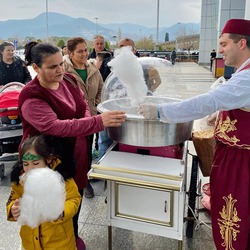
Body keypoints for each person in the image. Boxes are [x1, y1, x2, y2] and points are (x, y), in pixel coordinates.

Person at [138, 18, 250, 250]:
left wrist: (159, 111)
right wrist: (221, 114)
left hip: (241, 163)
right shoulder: (243, 72)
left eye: (224, 43)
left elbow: (208, 100)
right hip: (233, 156)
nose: (219, 50)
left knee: (235, 217)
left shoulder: (247, 77)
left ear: (241, 44)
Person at [19, 42, 126, 250]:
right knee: (51, 209)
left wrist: (86, 123)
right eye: (52, 67)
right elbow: (54, 126)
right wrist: (97, 122)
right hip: (46, 162)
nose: (59, 69)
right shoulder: (32, 96)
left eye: (60, 63)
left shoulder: (68, 79)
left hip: (75, 153)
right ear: (35, 68)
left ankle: (72, 237)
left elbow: (83, 105)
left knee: (72, 199)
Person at [6, 135, 82, 250]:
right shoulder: (20, 181)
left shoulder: (62, 179)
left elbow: (74, 199)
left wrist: (61, 212)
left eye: (35, 163)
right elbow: (12, 200)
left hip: (59, 242)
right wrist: (13, 209)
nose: (30, 169)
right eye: (25, 164)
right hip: (30, 242)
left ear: (48, 159)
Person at [98, 38, 161, 160]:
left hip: (133, 111)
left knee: (129, 142)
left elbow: (156, 80)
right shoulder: (108, 63)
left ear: (134, 50)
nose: (124, 50)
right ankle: (103, 164)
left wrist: (148, 93)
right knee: (105, 140)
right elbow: (102, 84)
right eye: (121, 47)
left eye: (127, 48)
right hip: (112, 109)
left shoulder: (143, 65)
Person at [63, 37, 103, 198]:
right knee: (72, 151)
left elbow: (101, 88)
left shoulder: (92, 68)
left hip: (91, 117)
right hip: (72, 119)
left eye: (86, 50)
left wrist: (95, 105)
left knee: (86, 150)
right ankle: (70, 180)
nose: (84, 54)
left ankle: (84, 181)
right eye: (80, 51)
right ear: (70, 53)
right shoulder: (64, 70)